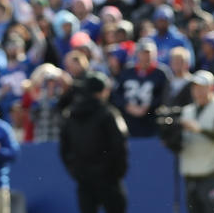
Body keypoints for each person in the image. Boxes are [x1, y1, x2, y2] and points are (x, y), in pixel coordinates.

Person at [60, 72, 129, 213]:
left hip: (84, 178)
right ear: (102, 91)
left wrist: (76, 171)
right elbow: (119, 145)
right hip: (108, 178)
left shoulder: (70, 115)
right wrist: (116, 172)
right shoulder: (108, 113)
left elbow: (64, 149)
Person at [179, 72, 214, 213]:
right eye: (195, 87)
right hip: (192, 174)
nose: (197, 91)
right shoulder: (187, 111)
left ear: (211, 87)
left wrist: (200, 130)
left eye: (201, 87)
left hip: (213, 173)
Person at [113, 39, 171, 137]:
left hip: (151, 120)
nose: (146, 57)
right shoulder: (128, 71)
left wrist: (148, 107)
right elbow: (116, 94)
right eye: (143, 53)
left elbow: (165, 96)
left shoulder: (161, 73)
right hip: (128, 119)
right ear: (137, 54)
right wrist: (127, 106)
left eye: (148, 53)